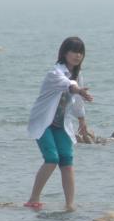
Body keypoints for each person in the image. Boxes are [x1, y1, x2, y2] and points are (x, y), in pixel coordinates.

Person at [25, 37, 92, 211]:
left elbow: (77, 102)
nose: (77, 55)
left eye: (81, 52)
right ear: (64, 53)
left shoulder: (78, 75)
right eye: (74, 51)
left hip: (61, 124)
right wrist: (79, 90)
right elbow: (68, 85)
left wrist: (82, 120)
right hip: (44, 122)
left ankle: (70, 204)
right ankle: (33, 198)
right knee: (52, 159)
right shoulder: (55, 73)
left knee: (67, 161)